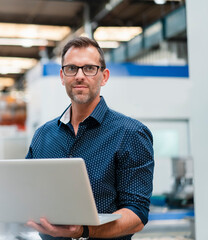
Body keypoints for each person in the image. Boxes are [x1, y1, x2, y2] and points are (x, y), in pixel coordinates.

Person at [25, 36, 154, 240]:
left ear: (104, 76)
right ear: (62, 76)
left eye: (89, 68)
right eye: (71, 69)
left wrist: (85, 230)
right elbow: (28, 193)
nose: (79, 76)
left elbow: (137, 214)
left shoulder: (130, 133)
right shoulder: (43, 135)